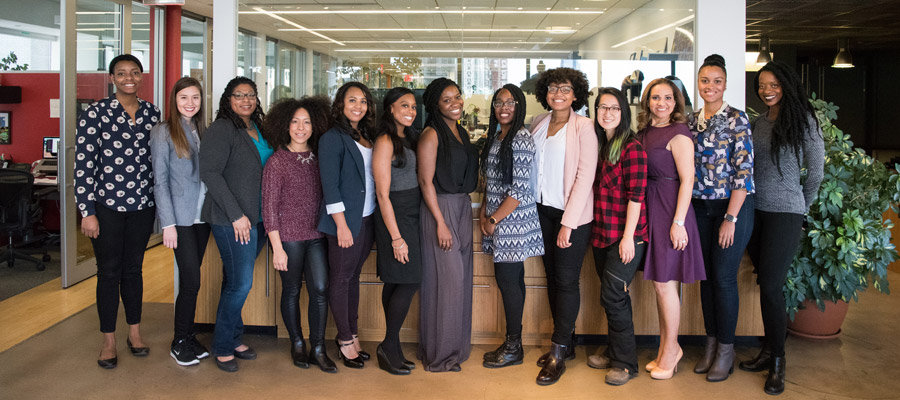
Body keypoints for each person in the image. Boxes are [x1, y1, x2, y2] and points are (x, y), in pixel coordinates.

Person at [741, 61, 824, 395]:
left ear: (786, 85)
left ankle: (778, 360)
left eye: (774, 84)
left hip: (786, 213)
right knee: (765, 283)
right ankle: (767, 349)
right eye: (762, 85)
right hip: (753, 211)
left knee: (773, 286)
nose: (767, 90)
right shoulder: (759, 122)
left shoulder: (804, 121)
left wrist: (800, 207)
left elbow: (815, 173)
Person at [75, 54, 160, 369]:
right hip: (106, 207)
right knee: (109, 272)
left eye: (134, 72)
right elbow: (83, 165)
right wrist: (87, 211)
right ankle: (108, 339)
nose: (129, 77)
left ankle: (134, 333)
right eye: (122, 73)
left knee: (134, 270)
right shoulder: (96, 113)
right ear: (112, 78)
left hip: (142, 206)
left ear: (141, 77)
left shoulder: (153, 113)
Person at [688, 54, 756, 382]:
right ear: (698, 84)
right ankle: (711, 345)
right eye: (705, 80)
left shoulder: (737, 119)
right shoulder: (691, 121)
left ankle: (726, 351)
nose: (710, 86)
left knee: (724, 278)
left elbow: (744, 172)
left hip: (732, 207)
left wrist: (731, 217)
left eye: (717, 81)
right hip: (700, 208)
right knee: (706, 278)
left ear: (725, 84)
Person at [199, 76, 273, 373]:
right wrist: (236, 215)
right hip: (234, 220)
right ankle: (222, 345)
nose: (246, 100)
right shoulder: (222, 129)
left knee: (234, 282)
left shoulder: (258, 127)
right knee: (241, 283)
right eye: (239, 95)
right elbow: (211, 173)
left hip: (260, 218)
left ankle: (232, 336)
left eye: (251, 95)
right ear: (227, 99)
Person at [529, 67, 598, 385]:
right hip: (542, 211)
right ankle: (565, 342)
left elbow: (586, 176)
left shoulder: (584, 126)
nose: (558, 93)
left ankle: (558, 352)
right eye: (553, 88)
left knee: (567, 281)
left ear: (576, 94)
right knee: (553, 280)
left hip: (572, 216)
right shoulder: (538, 123)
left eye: (565, 89)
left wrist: (568, 224)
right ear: (545, 92)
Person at [261, 96, 337, 373]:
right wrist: (277, 248)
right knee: (291, 290)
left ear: (315, 125)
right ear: (285, 125)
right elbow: (269, 209)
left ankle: (318, 347)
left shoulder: (320, 157)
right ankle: (297, 343)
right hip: (288, 238)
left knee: (320, 289)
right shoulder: (277, 162)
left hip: (316, 234)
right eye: (295, 122)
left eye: (306, 122)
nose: (301, 127)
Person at [637, 78, 705, 380]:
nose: (660, 103)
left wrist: (678, 223)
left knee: (666, 284)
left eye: (667, 98)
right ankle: (667, 348)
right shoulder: (644, 132)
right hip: (650, 208)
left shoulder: (680, 133)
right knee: (659, 284)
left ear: (676, 102)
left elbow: (687, 180)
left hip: (669, 210)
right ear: (647, 101)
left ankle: (671, 350)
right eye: (655, 98)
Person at [586, 87, 648, 386]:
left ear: (624, 113)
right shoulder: (600, 144)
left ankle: (625, 363)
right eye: (602, 107)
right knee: (612, 297)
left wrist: (628, 237)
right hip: (601, 232)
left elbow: (636, 196)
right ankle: (614, 351)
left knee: (613, 295)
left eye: (614, 108)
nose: (607, 113)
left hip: (626, 236)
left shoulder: (631, 147)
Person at [478, 84, 543, 369]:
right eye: (498, 102)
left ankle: (514, 346)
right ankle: (512, 342)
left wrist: (493, 220)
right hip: (497, 218)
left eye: (510, 102)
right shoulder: (496, 137)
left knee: (509, 282)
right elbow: (491, 183)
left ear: (519, 107)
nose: (504, 107)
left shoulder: (521, 138)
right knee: (511, 281)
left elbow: (518, 190)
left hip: (512, 222)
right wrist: (484, 211)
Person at [417, 77, 478, 372]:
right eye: (447, 99)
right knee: (446, 285)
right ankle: (440, 356)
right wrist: (440, 222)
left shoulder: (461, 131)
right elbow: (425, 181)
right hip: (440, 210)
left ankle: (456, 350)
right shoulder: (431, 134)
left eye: (457, 96)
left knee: (461, 282)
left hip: (462, 208)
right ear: (435, 105)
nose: (455, 103)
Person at [149, 76, 210, 367]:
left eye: (195, 97)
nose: (190, 103)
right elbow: (159, 182)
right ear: (174, 100)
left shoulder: (200, 129)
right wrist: (168, 224)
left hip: (202, 217)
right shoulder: (163, 132)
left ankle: (188, 335)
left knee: (192, 281)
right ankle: (179, 340)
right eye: (184, 97)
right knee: (191, 281)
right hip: (182, 220)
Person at [317, 82, 377, 369]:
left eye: (363, 101)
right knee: (341, 280)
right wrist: (340, 225)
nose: (358, 106)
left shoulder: (366, 135)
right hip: (345, 222)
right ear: (340, 104)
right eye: (352, 100)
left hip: (367, 218)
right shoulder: (332, 138)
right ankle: (343, 340)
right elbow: (330, 185)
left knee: (352, 278)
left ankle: (353, 334)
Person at [372, 87, 422, 375]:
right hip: (395, 214)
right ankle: (389, 345)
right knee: (408, 280)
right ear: (390, 108)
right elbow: (382, 193)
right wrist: (396, 237)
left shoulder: (409, 136)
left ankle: (391, 347)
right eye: (404, 105)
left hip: (412, 212)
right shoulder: (385, 140)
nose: (410, 111)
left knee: (395, 281)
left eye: (413, 106)